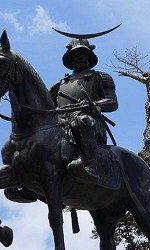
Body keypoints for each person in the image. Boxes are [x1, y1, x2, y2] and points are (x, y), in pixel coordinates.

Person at [50, 38, 118, 182]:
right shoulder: (61, 84)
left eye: (83, 54)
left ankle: (91, 166)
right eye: (77, 55)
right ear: (71, 58)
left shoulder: (100, 77)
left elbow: (112, 102)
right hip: (61, 121)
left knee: (83, 122)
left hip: (88, 121)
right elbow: (44, 103)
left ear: (89, 57)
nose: (80, 57)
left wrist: (93, 105)